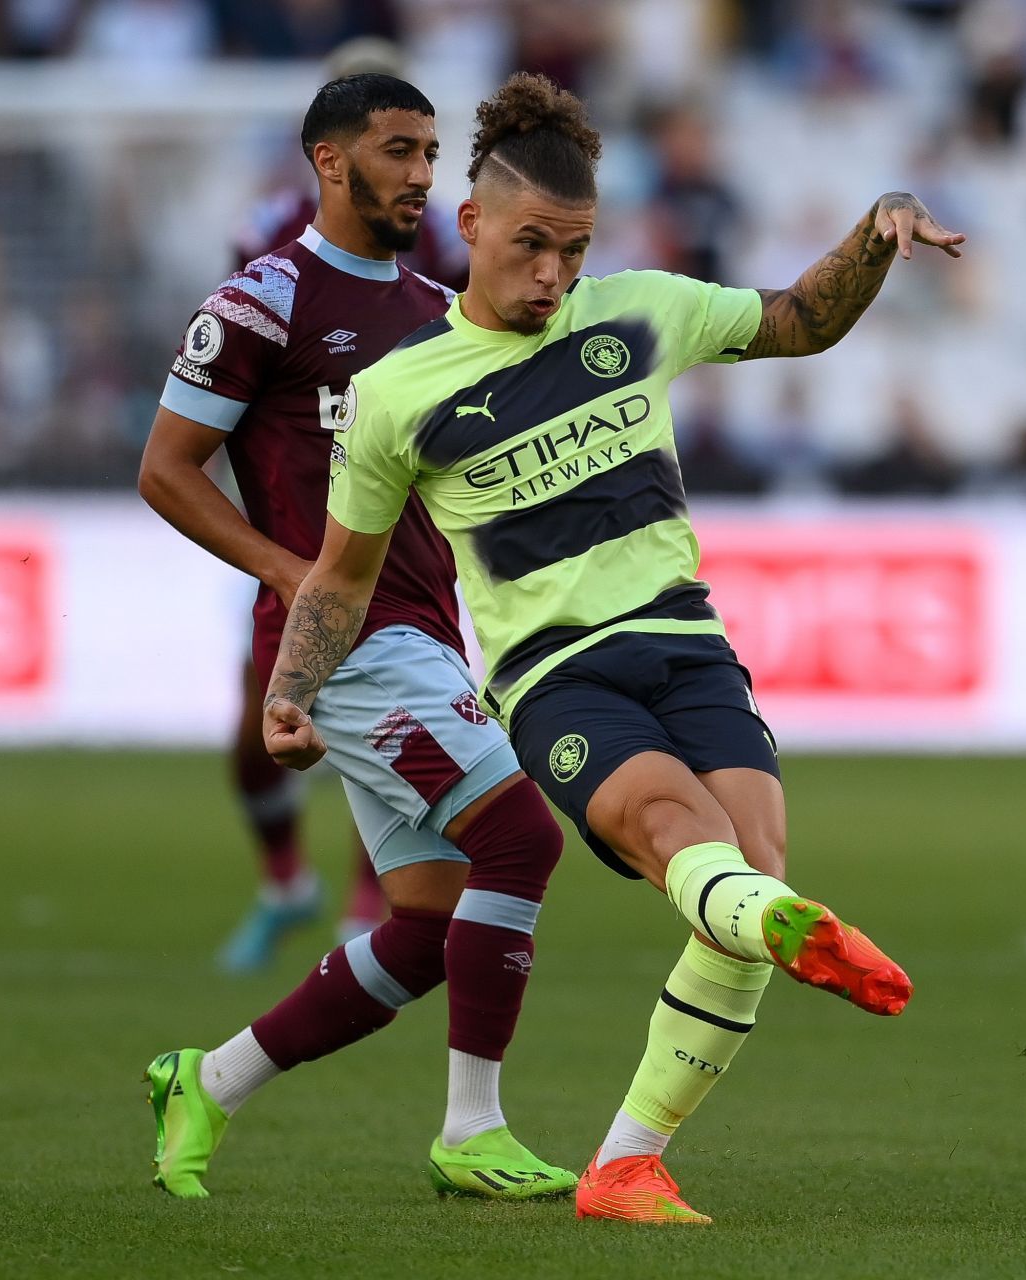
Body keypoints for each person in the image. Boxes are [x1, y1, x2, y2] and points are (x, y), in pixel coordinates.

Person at [260, 73, 963, 1223]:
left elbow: (801, 318)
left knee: (748, 873)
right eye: (533, 246)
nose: (554, 276)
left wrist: (878, 225)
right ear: (472, 224)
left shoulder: (641, 310)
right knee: (689, 843)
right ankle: (779, 933)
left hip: (690, 645)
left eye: (574, 252)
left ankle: (627, 1160)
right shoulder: (396, 394)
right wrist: (293, 689)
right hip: (557, 677)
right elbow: (338, 575)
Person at [137, 74, 573, 1202]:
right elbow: (166, 469)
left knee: (426, 924)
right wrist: (292, 572)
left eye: (432, 152)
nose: (421, 174)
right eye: (398, 150)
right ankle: (472, 1130)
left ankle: (207, 1079)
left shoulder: (438, 310)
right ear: (331, 162)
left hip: (428, 634)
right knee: (520, 838)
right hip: (348, 644)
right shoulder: (262, 299)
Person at [214, 39, 422, 974]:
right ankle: (285, 882)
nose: (411, 170)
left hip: (398, 536)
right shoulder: (272, 237)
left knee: (385, 739)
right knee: (255, 724)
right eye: (391, 145)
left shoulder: (432, 243)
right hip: (288, 520)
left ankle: (366, 900)